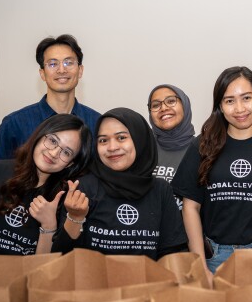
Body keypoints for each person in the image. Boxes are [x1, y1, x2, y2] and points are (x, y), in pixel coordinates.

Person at [172, 66, 252, 273]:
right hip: (217, 255)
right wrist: (199, 264)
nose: (239, 108)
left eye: (246, 98)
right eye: (230, 101)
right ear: (220, 106)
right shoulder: (202, 146)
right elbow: (190, 208)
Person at [0, 114, 91, 261]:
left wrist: (48, 225)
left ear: (71, 163)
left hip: (32, 282)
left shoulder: (66, 199)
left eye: (66, 152)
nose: (53, 153)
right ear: (40, 136)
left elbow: (45, 268)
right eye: (52, 140)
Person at [52, 108, 187, 260]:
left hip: (149, 282)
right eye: (103, 140)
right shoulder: (82, 188)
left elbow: (173, 252)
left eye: (121, 138)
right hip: (94, 281)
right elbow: (61, 257)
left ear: (139, 138)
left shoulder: (161, 190)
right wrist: (75, 217)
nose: (112, 147)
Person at [0, 34, 101, 160]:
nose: (62, 70)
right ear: (42, 74)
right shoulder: (15, 124)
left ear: (80, 71)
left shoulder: (97, 123)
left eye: (68, 62)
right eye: (53, 64)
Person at [146, 84, 196, 182]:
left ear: (185, 105)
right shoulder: (143, 149)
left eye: (171, 101)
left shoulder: (204, 150)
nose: (163, 108)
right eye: (156, 105)